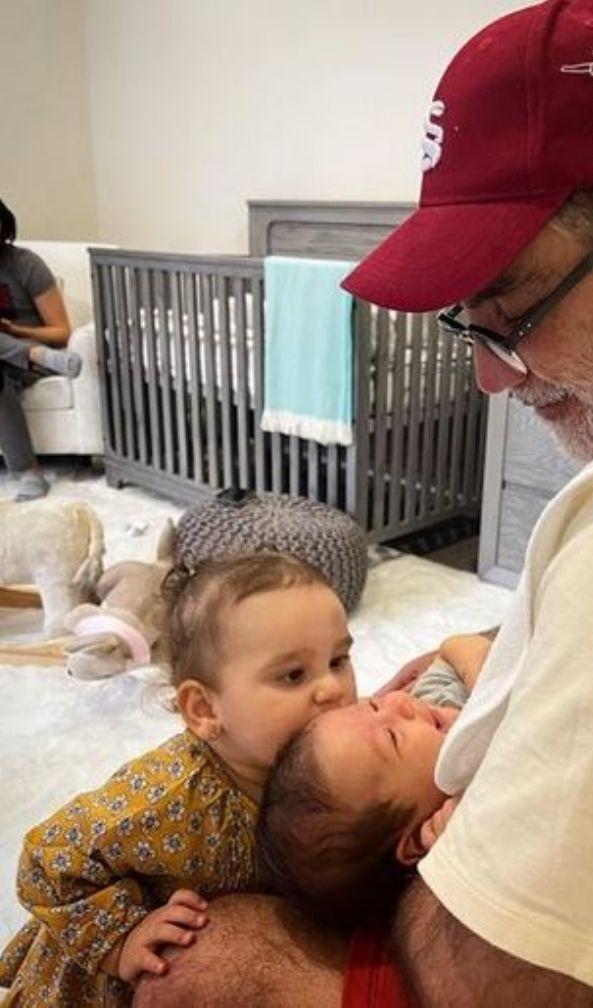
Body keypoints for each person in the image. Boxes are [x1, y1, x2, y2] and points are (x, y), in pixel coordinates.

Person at [135, 0, 593, 1005]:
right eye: (467, 325)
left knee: (211, 966)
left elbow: (498, 981)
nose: (489, 379)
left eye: (512, 313)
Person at [0, 552, 357, 1007]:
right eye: (293, 675)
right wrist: (120, 941)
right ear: (205, 710)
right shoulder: (170, 794)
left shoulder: (325, 765)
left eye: (339, 659)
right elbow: (48, 856)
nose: (333, 689)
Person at [257, 635, 490, 926]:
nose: (400, 701)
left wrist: (484, 678)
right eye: (393, 738)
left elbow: (456, 645)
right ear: (418, 838)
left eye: (373, 706)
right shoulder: (480, 806)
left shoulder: (435, 700)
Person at [0, 199, 83, 501]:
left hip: (43, 357)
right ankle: (29, 472)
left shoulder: (25, 264)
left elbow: (62, 332)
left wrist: (17, 331)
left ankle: (27, 473)